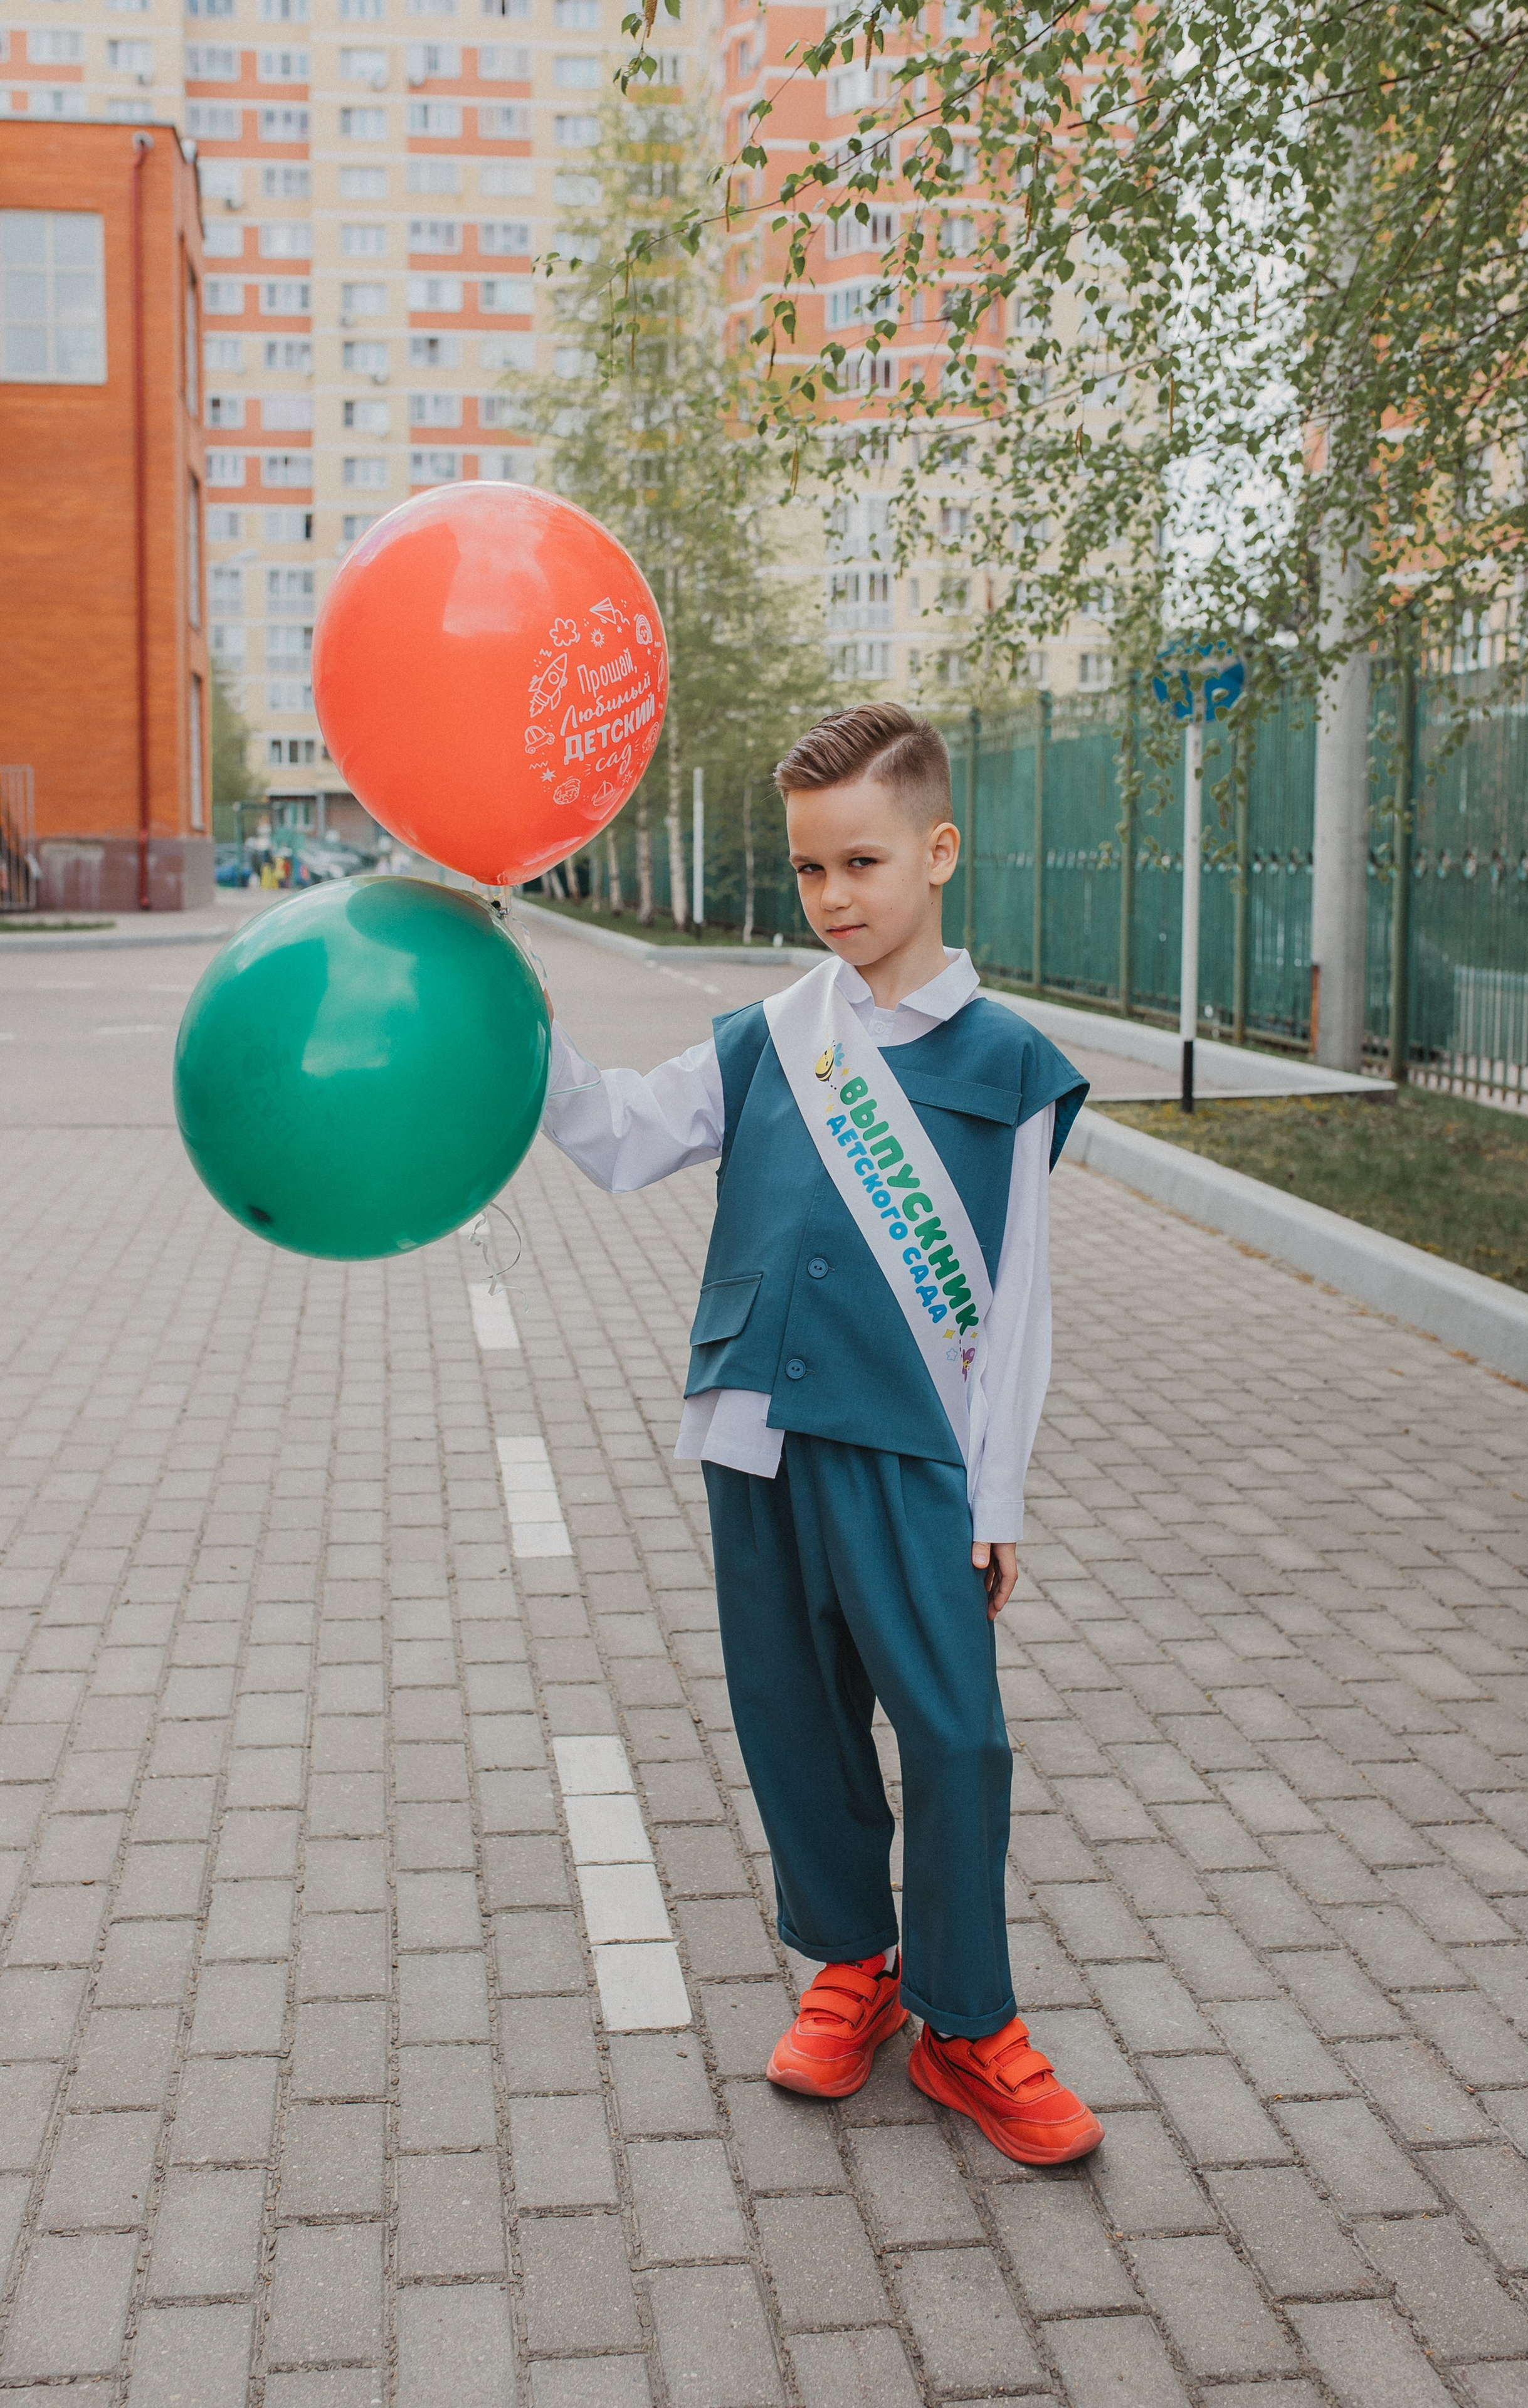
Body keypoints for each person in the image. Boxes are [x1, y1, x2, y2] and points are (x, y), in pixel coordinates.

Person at [541, 702, 1103, 2165]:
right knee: (793, 1721)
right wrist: (512, 1011)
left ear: (937, 851)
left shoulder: (1007, 1064)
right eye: (807, 872)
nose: (834, 899)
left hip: (912, 1452)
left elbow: (1022, 1306)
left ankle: (969, 2028)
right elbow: (612, 1138)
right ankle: (855, 1967)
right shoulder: (764, 1040)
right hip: (754, 1432)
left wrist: (998, 1496)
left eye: (860, 862)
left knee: (957, 1739)